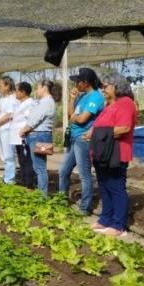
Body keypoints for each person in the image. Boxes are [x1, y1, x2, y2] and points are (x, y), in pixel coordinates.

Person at [92, 74, 138, 236]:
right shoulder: (110, 104)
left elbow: (124, 128)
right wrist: (93, 133)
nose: (102, 90)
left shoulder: (125, 103)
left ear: (116, 86)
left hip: (116, 152)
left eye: (105, 86)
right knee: (104, 186)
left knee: (116, 187)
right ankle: (105, 219)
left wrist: (98, 135)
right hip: (103, 152)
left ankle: (119, 225)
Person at [62, 69, 105, 216]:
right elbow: (71, 114)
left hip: (83, 139)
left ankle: (85, 207)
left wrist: (74, 117)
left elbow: (81, 119)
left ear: (85, 83)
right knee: (63, 171)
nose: (75, 84)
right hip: (74, 138)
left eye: (77, 81)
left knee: (84, 175)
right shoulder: (81, 96)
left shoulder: (96, 97)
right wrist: (72, 99)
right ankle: (61, 200)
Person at [17, 80, 55, 195]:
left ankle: (43, 196)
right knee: (38, 166)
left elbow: (35, 119)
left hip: (40, 136)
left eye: (38, 88)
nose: (37, 90)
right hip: (38, 135)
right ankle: (41, 193)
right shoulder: (43, 101)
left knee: (40, 168)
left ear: (44, 88)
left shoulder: (46, 102)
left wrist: (24, 129)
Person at [0, 76, 22, 183]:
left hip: (7, 130)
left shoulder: (12, 99)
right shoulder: (3, 99)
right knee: (3, 155)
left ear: (7, 86)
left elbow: (9, 115)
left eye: (0, 86)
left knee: (8, 155)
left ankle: (9, 180)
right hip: (1, 129)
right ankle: (7, 176)